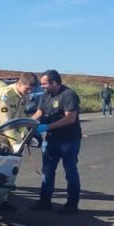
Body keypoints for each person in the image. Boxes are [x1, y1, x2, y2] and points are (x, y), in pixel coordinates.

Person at [31, 70, 82, 215]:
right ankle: (44, 201)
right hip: (51, 140)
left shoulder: (68, 95)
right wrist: (28, 123)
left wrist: (47, 127)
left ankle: (72, 205)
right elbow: (40, 112)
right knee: (47, 171)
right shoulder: (46, 95)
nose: (42, 87)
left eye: (44, 84)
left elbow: (70, 118)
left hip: (68, 141)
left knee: (70, 172)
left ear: (53, 83)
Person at [0, 72, 37, 152]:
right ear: (20, 84)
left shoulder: (24, 96)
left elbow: (21, 117)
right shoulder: (5, 95)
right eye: (27, 88)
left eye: (31, 89)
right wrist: (15, 143)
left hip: (9, 133)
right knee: (0, 156)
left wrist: (25, 135)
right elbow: (6, 121)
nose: (29, 91)